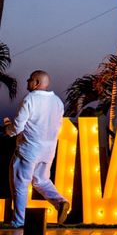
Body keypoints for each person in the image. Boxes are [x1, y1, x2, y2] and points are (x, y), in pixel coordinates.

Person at [3, 70, 70, 228]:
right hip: (48, 150)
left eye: (30, 79)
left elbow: (18, 126)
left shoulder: (30, 99)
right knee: (41, 181)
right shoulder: (58, 102)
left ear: (37, 83)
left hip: (29, 149)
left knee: (20, 184)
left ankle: (18, 221)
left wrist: (8, 129)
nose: (27, 82)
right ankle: (60, 202)